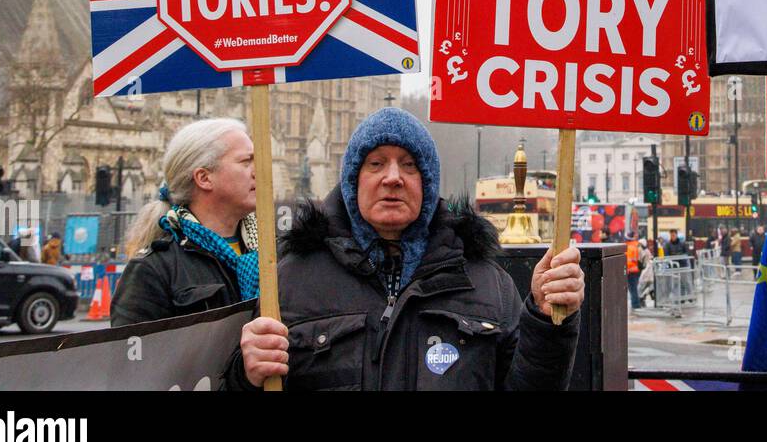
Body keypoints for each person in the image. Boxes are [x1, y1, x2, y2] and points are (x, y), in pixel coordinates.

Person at [229, 107, 583, 391]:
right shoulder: (291, 282)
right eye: (376, 163)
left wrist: (547, 320)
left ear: (427, 184)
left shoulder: (486, 282)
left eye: (410, 165)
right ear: (353, 181)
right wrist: (246, 377)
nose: (393, 177)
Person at [110, 118, 257, 327]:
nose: (259, 170)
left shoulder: (275, 254)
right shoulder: (153, 271)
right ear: (204, 178)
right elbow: (132, 357)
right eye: (246, 162)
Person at [626, 233, 643, 310]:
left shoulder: (627, 247)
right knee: (634, 288)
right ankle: (636, 304)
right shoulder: (637, 246)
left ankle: (635, 304)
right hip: (636, 270)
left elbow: (627, 261)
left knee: (632, 289)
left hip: (629, 271)